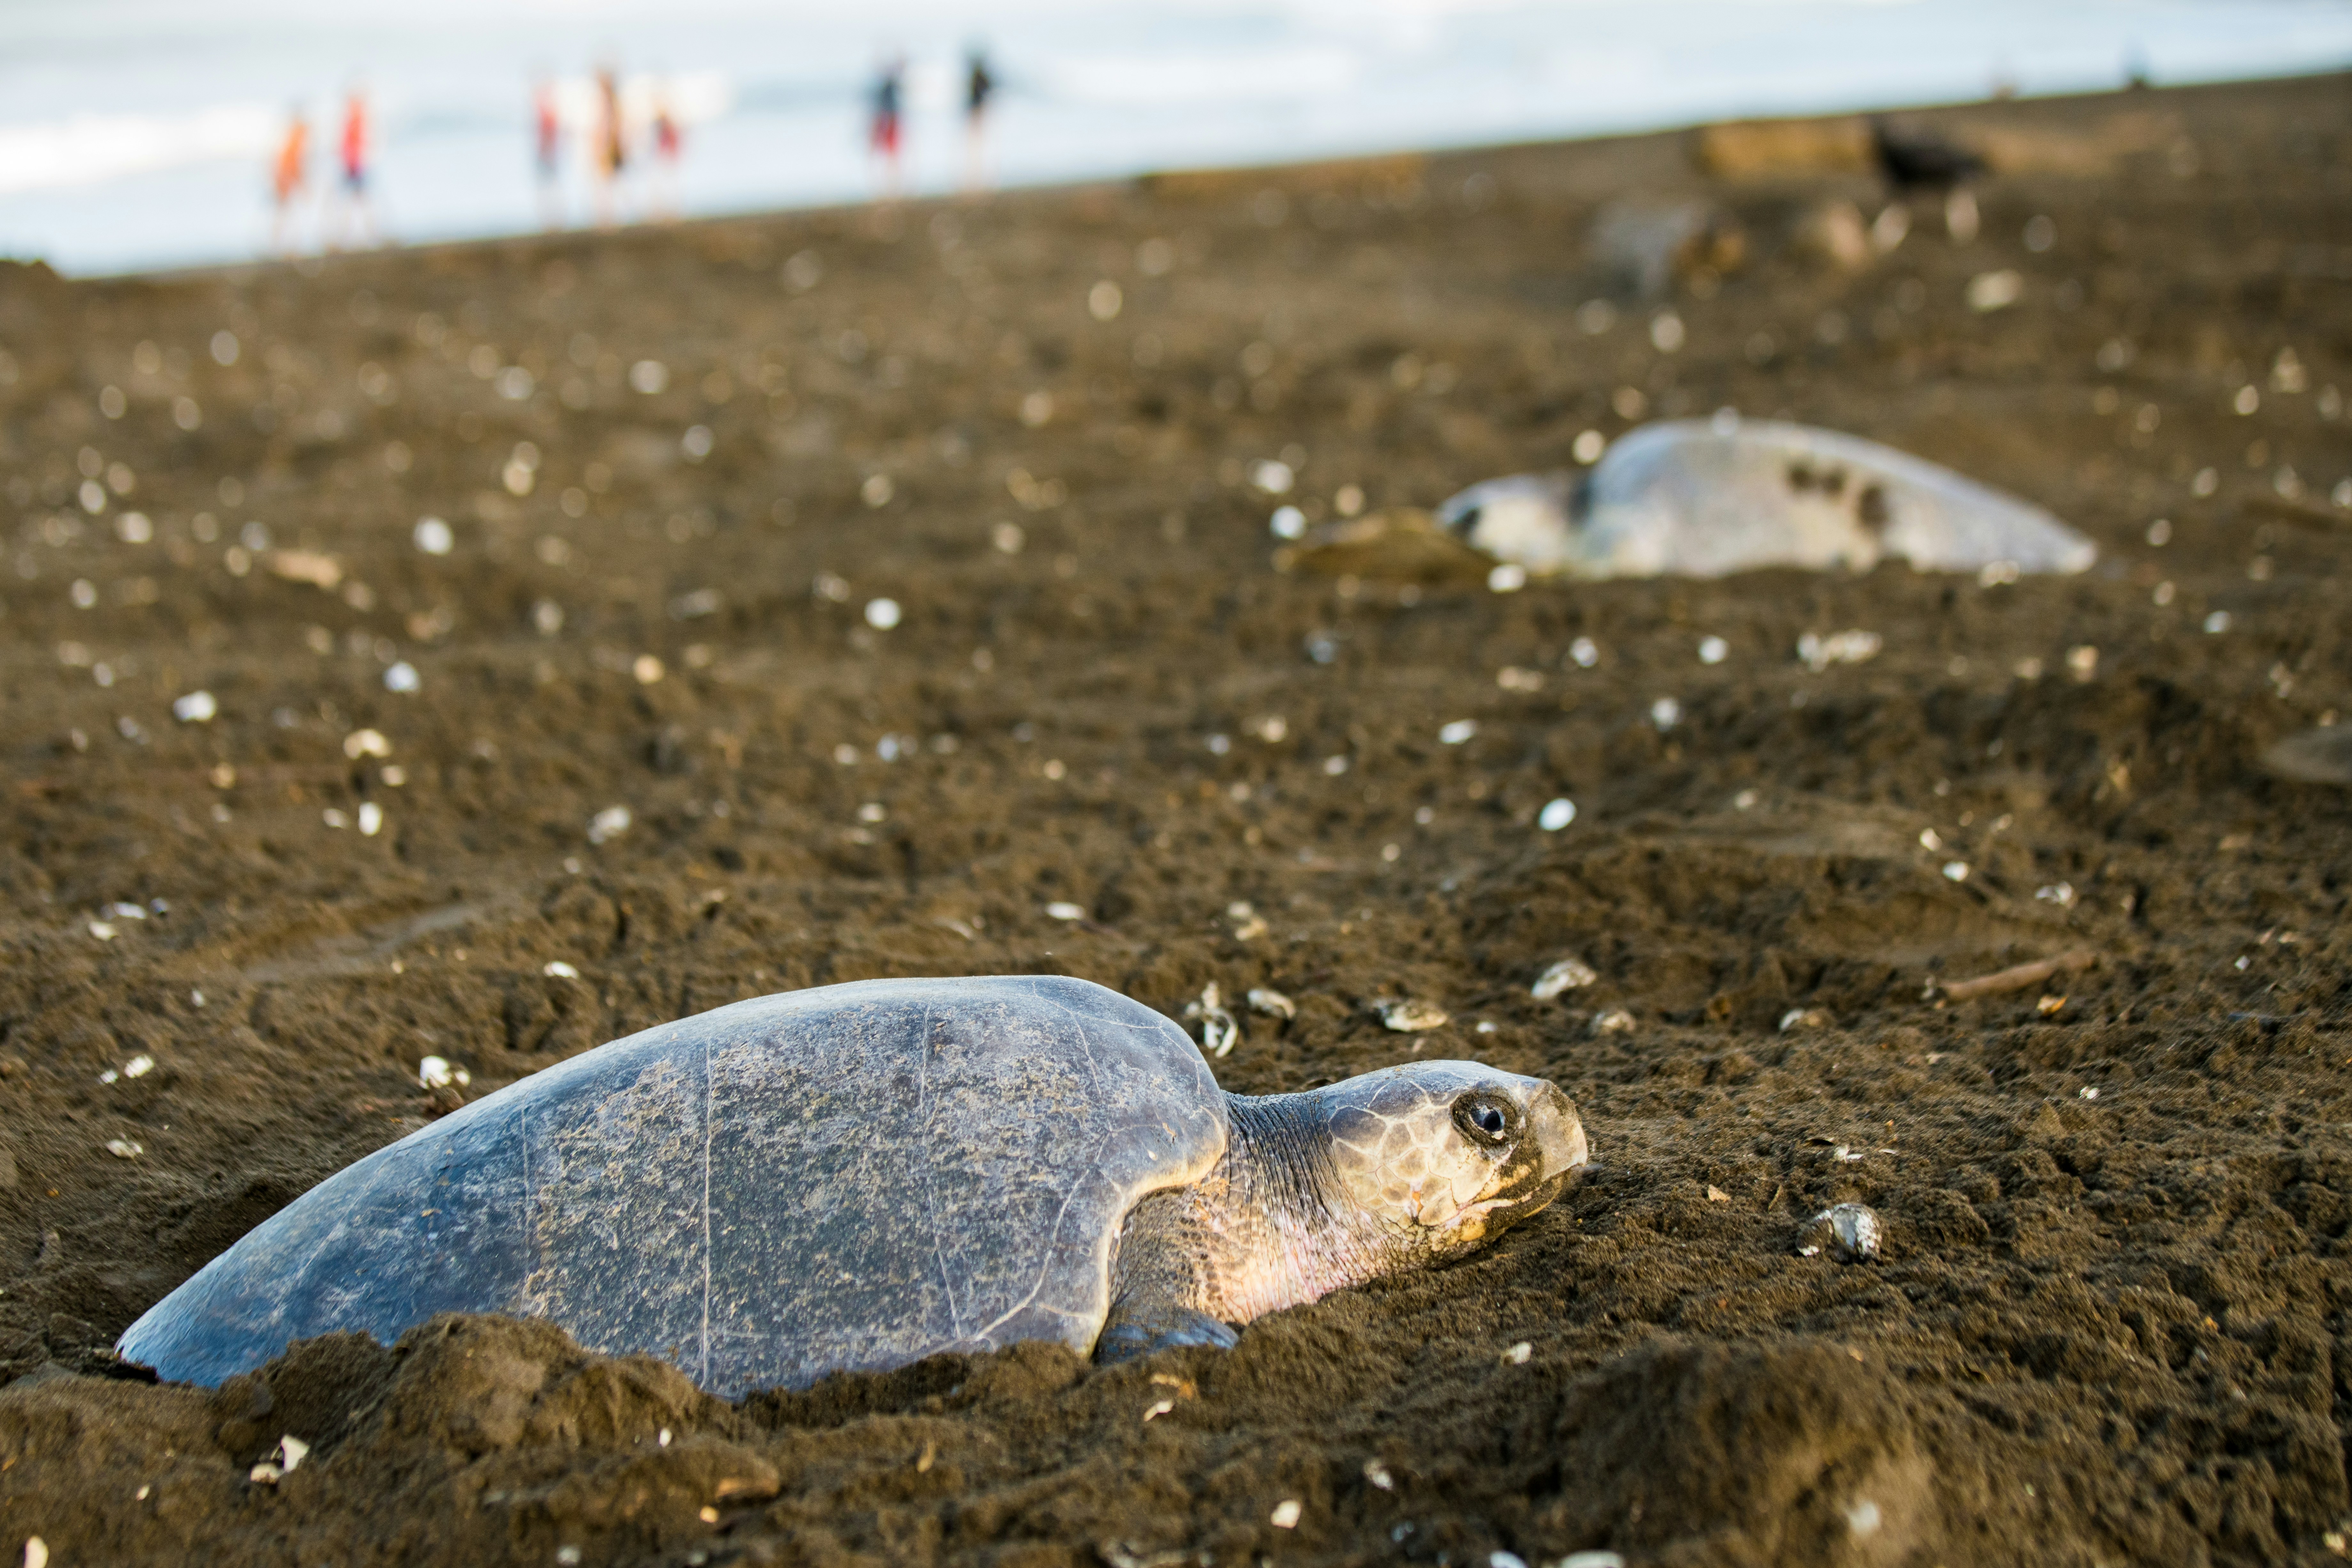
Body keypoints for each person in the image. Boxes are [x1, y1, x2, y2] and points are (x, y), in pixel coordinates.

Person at [331, 86, 379, 248]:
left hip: (356, 165)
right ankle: (354, 234)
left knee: (359, 199)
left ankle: (363, 234)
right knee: (355, 199)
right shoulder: (353, 119)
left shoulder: (357, 120)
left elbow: (359, 144)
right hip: (352, 165)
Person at [270, 106, 308, 255]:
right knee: (286, 211)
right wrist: (300, 183)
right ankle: (285, 244)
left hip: (284, 179)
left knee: (285, 211)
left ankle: (282, 243)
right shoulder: (294, 141)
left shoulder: (290, 139)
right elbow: (291, 164)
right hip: (285, 179)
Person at [593, 65, 628, 227]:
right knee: (606, 183)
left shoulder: (612, 102)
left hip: (611, 147)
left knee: (610, 182)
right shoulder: (606, 102)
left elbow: (615, 127)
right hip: (608, 147)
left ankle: (610, 218)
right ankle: (607, 218)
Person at [869, 53, 905, 200]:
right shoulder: (889, 87)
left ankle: (891, 185)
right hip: (889, 121)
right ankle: (889, 185)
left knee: (891, 155)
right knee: (890, 155)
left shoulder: (888, 87)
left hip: (889, 120)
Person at [963, 45, 996, 193]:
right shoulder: (979, 76)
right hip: (978, 112)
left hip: (977, 113)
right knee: (977, 146)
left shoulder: (977, 76)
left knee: (976, 146)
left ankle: (979, 180)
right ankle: (977, 180)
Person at [534, 75, 564, 228]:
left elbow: (549, 136)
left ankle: (553, 220)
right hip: (547, 155)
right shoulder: (546, 111)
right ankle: (550, 220)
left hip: (548, 155)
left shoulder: (549, 113)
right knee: (548, 186)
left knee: (550, 185)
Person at [649, 86, 682, 221]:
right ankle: (662, 211)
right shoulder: (661, 121)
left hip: (666, 155)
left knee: (666, 184)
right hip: (663, 155)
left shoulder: (666, 121)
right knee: (662, 184)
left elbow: (673, 139)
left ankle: (669, 211)